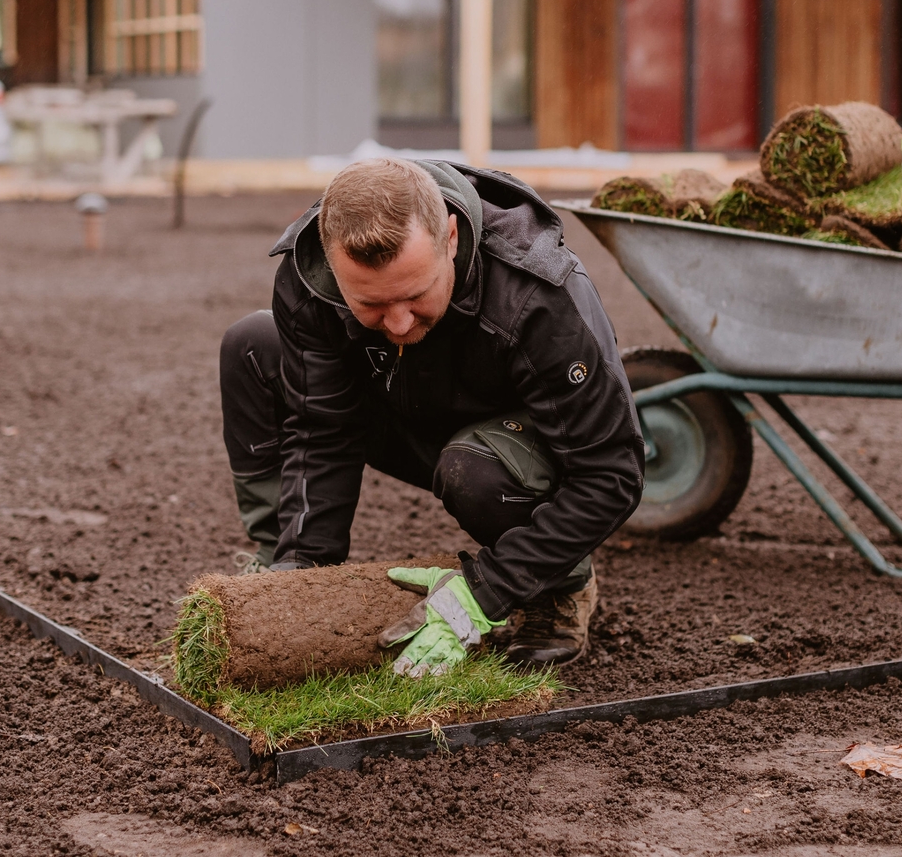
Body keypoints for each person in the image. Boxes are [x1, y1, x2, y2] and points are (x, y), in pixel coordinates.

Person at [219, 158, 644, 670]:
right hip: (407, 411)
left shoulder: (537, 294)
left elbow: (611, 473)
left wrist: (485, 592)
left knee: (473, 470)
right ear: (333, 263)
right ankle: (278, 564)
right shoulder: (309, 279)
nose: (397, 323)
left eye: (416, 295)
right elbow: (321, 431)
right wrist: (302, 582)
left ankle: (558, 587)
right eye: (371, 304)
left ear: (451, 237)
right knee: (252, 346)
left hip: (513, 451)